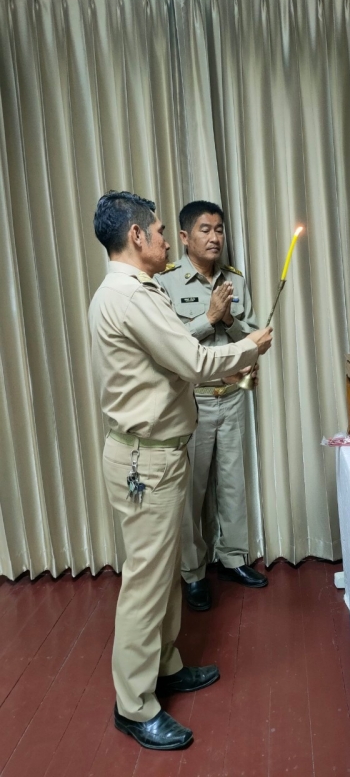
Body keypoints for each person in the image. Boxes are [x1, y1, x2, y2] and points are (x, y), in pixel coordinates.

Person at [88, 191, 272, 750]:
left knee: (163, 575)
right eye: (162, 230)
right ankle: (134, 705)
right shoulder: (130, 295)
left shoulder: (136, 289)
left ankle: (165, 667)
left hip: (157, 453)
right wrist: (250, 347)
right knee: (145, 586)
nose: (169, 240)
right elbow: (192, 361)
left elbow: (168, 361)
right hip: (145, 459)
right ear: (137, 236)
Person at [156, 200, 267, 613]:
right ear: (185, 237)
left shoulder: (234, 279)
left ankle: (233, 558)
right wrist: (209, 316)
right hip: (194, 401)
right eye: (205, 229)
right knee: (193, 491)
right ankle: (193, 573)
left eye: (219, 229)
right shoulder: (166, 283)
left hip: (233, 396)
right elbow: (168, 346)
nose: (215, 237)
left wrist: (228, 320)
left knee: (233, 484)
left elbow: (252, 337)